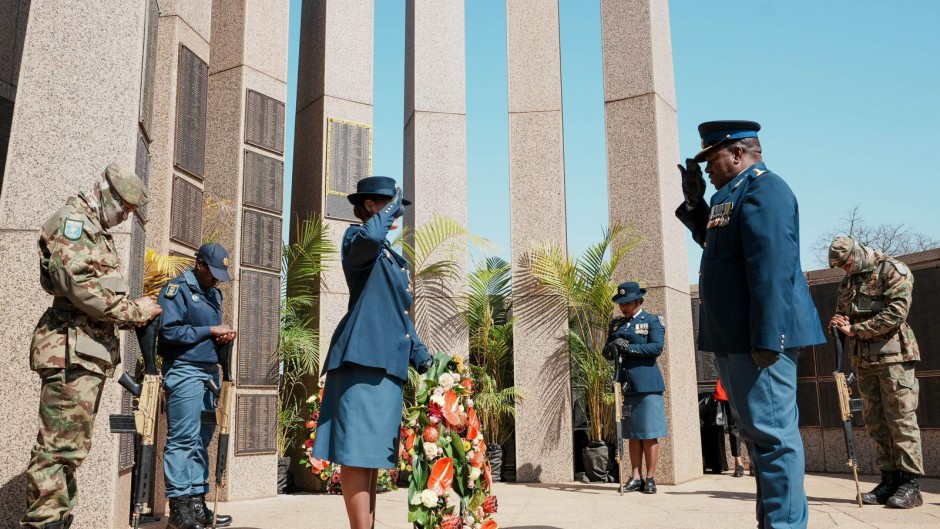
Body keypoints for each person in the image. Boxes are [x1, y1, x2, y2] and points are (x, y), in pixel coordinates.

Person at [675, 121, 825, 529]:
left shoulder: (766, 190)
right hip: (736, 337)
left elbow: (772, 269)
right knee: (761, 440)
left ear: (739, 153)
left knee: (775, 440)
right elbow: (718, 245)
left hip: (758, 337)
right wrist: (696, 204)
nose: (705, 166)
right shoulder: (731, 195)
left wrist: (769, 335)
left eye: (712, 157)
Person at [23, 164, 162, 529]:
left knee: (70, 450)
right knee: (59, 450)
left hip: (85, 354)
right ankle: (44, 522)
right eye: (126, 208)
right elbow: (79, 286)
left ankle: (57, 518)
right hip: (71, 352)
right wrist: (136, 311)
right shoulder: (75, 222)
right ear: (106, 193)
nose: (126, 216)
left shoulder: (94, 229)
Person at [312, 176, 433, 529]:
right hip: (361, 359)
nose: (396, 210)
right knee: (357, 453)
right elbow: (370, 237)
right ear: (370, 206)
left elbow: (399, 313)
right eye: (389, 203)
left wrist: (421, 354)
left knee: (373, 456)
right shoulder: (357, 239)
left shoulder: (391, 258)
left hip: (389, 362)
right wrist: (394, 204)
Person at [828, 236, 923, 509]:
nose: (845, 270)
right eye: (841, 267)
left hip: (894, 358)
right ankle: (889, 480)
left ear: (857, 253)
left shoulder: (893, 270)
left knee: (901, 421)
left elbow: (896, 313)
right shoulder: (848, 282)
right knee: (876, 422)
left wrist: (855, 329)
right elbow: (841, 314)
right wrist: (838, 322)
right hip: (864, 362)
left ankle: (911, 485)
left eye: (847, 263)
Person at [157, 244, 237, 529]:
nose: (216, 280)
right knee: (183, 439)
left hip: (208, 374)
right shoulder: (176, 289)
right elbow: (167, 332)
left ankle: (196, 503)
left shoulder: (214, 294)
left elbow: (207, 335)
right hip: (185, 371)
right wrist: (210, 330)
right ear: (199, 264)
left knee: (202, 438)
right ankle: (179, 510)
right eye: (213, 273)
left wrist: (222, 338)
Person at [603, 282, 667, 494]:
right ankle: (636, 476)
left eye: (627, 303)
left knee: (649, 433)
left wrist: (629, 347)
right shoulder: (617, 325)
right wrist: (612, 347)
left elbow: (656, 347)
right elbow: (607, 351)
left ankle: (650, 478)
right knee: (633, 433)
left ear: (639, 301)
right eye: (621, 304)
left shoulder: (651, 321)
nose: (623, 307)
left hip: (647, 384)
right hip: (627, 384)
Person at [715, 379, 745, 477]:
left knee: (750, 426)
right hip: (729, 387)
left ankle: (754, 461)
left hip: (747, 386)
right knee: (734, 426)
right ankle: (738, 462)